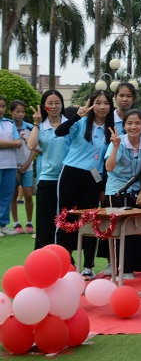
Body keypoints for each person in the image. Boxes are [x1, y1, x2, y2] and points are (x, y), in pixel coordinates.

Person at [54, 90, 114, 277]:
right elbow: (59, 131)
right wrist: (77, 116)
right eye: (98, 103)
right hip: (71, 173)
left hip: (93, 178)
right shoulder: (81, 123)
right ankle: (64, 262)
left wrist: (103, 187)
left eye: (106, 103)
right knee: (66, 218)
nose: (102, 107)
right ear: (92, 104)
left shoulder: (112, 129)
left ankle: (88, 265)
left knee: (91, 220)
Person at [103, 109, 141, 279]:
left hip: (136, 190)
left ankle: (135, 266)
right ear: (124, 126)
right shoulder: (118, 141)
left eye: (138, 123)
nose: (133, 127)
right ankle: (121, 269)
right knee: (118, 231)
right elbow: (109, 167)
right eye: (129, 123)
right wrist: (116, 146)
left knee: (136, 230)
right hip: (116, 191)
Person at [25, 90, 72, 249]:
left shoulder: (69, 124)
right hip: (47, 179)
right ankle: (43, 255)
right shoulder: (41, 126)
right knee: (45, 222)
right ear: (44, 106)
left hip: (66, 180)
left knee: (65, 222)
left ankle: (65, 255)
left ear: (62, 105)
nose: (54, 106)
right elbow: (31, 145)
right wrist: (37, 123)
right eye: (50, 103)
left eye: (57, 103)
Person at [9, 101, 35, 234]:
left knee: (28, 195)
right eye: (17, 111)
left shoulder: (30, 128)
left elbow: (34, 148)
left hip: (27, 166)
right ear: (11, 112)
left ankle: (29, 222)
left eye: (22, 112)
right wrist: (14, 167)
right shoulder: (8, 127)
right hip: (12, 166)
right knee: (13, 195)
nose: (20, 114)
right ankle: (16, 223)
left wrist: (27, 164)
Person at [0, 95, 24, 236]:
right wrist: (11, 144)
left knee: (6, 195)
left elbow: (19, 142)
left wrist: (6, 144)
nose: (1, 109)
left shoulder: (10, 123)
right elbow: (14, 142)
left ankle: (3, 225)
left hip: (10, 164)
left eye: (3, 106)